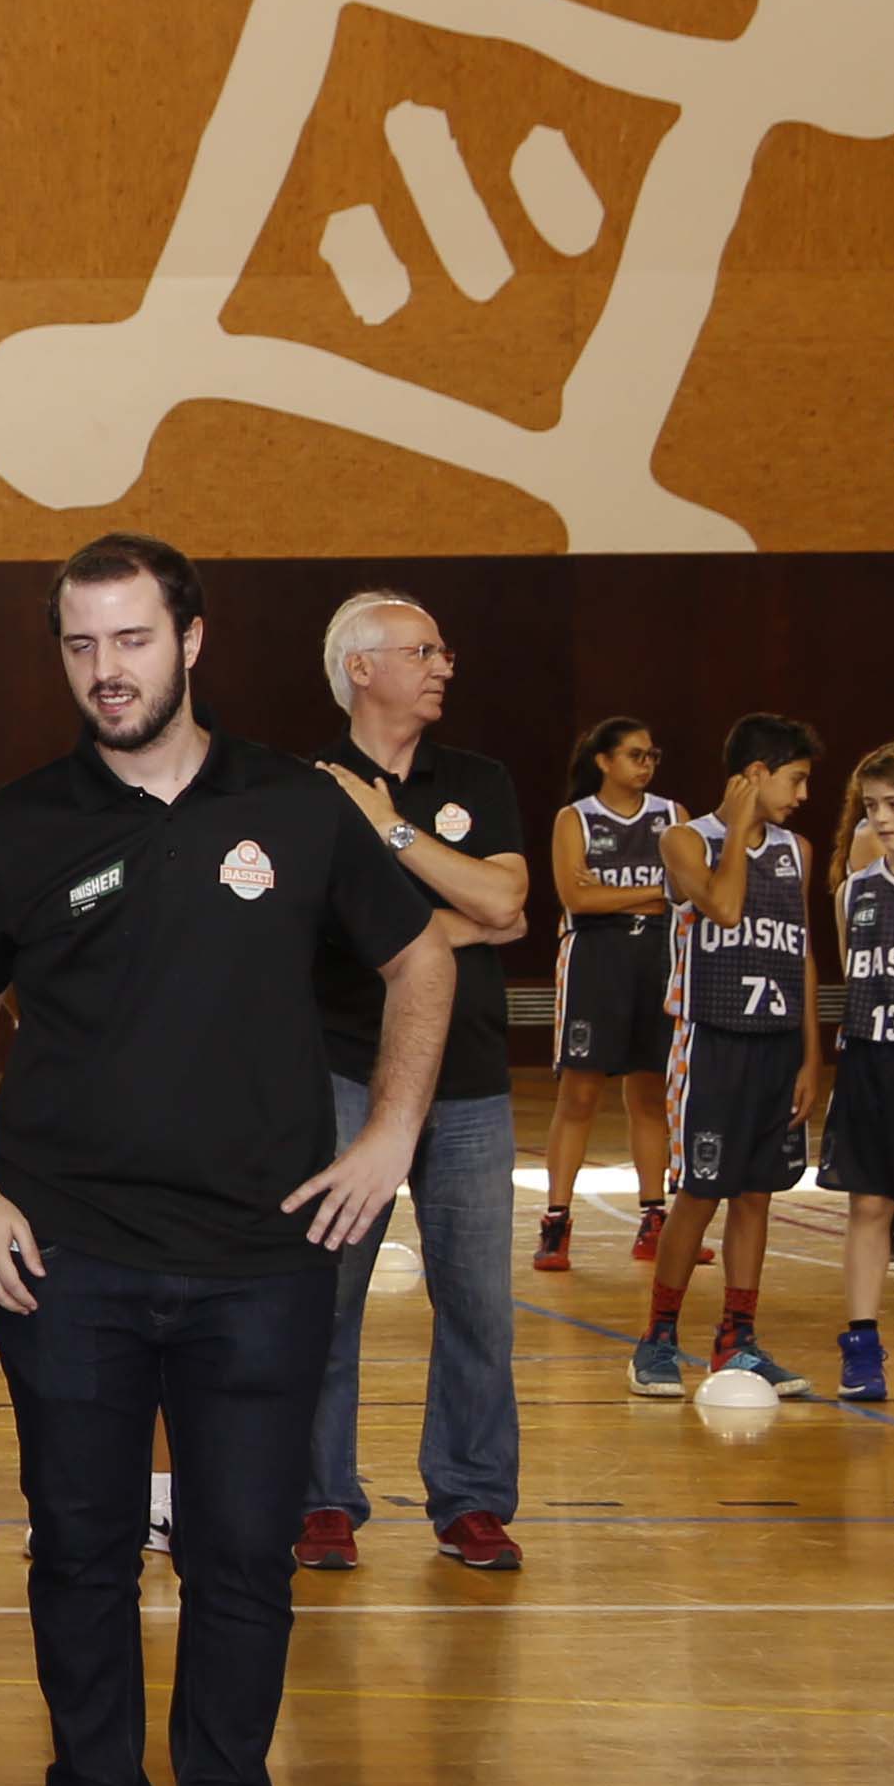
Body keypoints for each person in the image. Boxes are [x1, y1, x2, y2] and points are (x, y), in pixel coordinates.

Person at [0, 533, 442, 1786]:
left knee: (241, 1559)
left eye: (132, 641)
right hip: (66, 1262)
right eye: (82, 646)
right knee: (81, 1553)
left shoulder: (298, 803)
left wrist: (389, 1136)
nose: (107, 672)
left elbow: (424, 958)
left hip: (261, 1263)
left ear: (192, 640)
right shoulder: (20, 824)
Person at [298, 594, 533, 1573]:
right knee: (327, 1295)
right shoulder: (304, 790)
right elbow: (313, 932)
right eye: (421, 649)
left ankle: (472, 1498)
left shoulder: (477, 779)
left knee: (478, 1297)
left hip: (471, 1080)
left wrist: (392, 833)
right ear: (361, 667)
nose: (444, 663)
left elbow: (510, 901)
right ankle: (319, 1499)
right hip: (344, 1072)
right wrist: (455, 919)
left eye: (441, 647)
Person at [640, 718, 826, 1399]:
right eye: (795, 778)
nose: (803, 794)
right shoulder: (685, 839)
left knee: (757, 1195)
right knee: (699, 1192)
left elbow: (802, 956)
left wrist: (812, 1057)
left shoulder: (798, 851)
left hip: (777, 1045)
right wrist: (741, 828)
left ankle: (736, 1340)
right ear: (755, 773)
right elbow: (720, 906)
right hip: (712, 1038)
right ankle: (657, 1337)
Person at [533, 716, 679, 1274]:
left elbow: (686, 893)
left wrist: (613, 892)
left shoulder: (672, 816)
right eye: (635, 754)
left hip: (658, 961)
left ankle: (653, 1218)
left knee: (649, 1096)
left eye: (651, 755)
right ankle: (556, 1221)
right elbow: (576, 896)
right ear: (604, 761)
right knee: (580, 1096)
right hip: (596, 963)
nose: (646, 764)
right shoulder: (576, 819)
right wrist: (652, 892)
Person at [823, 740, 894, 1413]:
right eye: (871, 807)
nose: (882, 819)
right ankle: (861, 1344)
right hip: (867, 1061)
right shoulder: (854, 892)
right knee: (868, 1205)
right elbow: (849, 978)